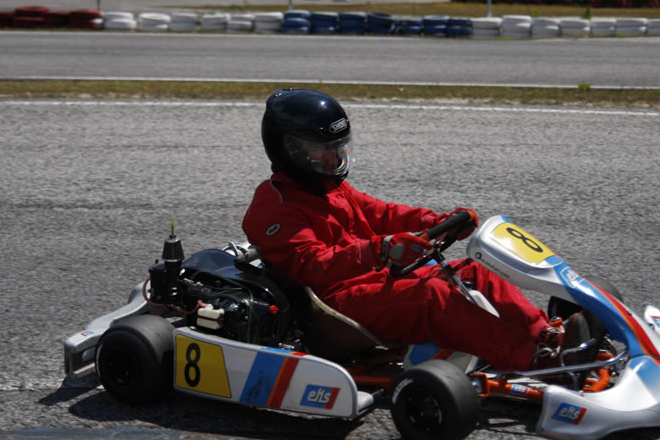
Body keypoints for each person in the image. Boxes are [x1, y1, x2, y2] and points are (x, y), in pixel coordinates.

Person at [242, 89, 589, 372]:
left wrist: (435, 222)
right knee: (430, 295)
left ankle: (546, 335)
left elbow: (382, 213)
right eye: (322, 151)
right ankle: (536, 360)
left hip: (372, 281)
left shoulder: (329, 188)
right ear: (290, 150)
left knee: (471, 272)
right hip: (333, 308)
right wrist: (380, 250)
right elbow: (311, 265)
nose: (334, 159)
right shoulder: (273, 207)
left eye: (337, 148)